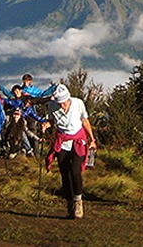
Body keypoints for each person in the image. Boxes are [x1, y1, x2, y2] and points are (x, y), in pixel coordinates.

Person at [45, 85, 96, 219]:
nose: (62, 105)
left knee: (75, 171)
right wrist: (46, 125)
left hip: (78, 140)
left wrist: (92, 138)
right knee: (64, 173)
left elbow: (85, 121)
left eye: (64, 102)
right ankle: (69, 204)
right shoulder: (52, 106)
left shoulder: (78, 103)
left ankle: (78, 202)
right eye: (59, 103)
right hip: (62, 142)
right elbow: (52, 121)